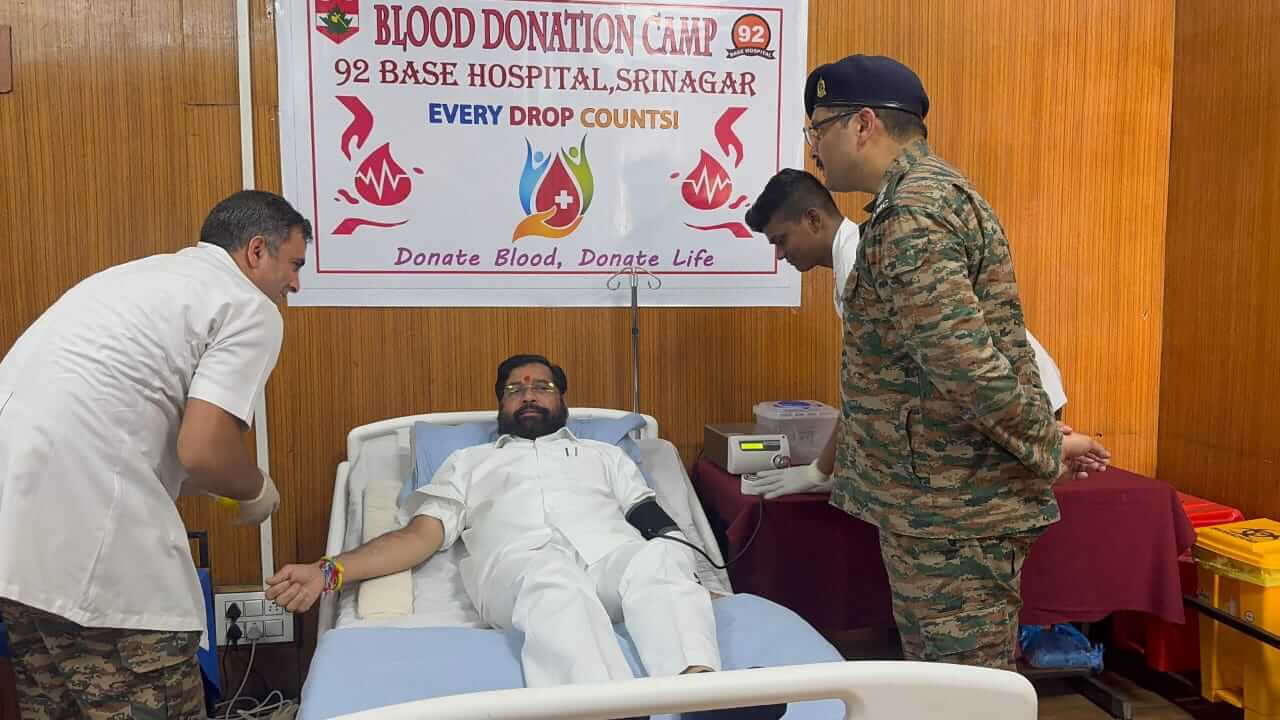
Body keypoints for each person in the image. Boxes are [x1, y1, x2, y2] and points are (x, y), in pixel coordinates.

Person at [774, 54, 1108, 670]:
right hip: (940, 502)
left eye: (817, 129)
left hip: (955, 509)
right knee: (943, 683)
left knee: (965, 689)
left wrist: (1043, 444)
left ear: (863, 124)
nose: (813, 148)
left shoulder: (914, 214)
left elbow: (963, 364)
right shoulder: (915, 201)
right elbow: (936, 362)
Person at [265, 354, 784, 720]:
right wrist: (328, 570)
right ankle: (607, 708)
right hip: (521, 567)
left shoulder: (605, 456)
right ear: (500, 405)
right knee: (552, 578)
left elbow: (651, 517)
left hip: (609, 561)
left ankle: (701, 694)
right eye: (515, 389)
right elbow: (417, 537)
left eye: (542, 386)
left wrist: (692, 574)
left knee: (658, 558)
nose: (529, 394)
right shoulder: (467, 462)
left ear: (562, 399)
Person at [0, 190, 310, 718]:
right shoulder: (246, 304)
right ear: (257, 251)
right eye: (295, 264)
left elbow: (121, 426)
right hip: (101, 565)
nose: (295, 284)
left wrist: (215, 478)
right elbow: (204, 448)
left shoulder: (131, 280)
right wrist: (256, 488)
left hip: (16, 555)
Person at [741, 168, 1079, 498]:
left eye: (781, 240)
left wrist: (820, 470)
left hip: (1012, 398)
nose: (779, 254)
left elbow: (867, 387)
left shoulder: (860, 262)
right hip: (1006, 396)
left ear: (813, 220)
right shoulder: (854, 255)